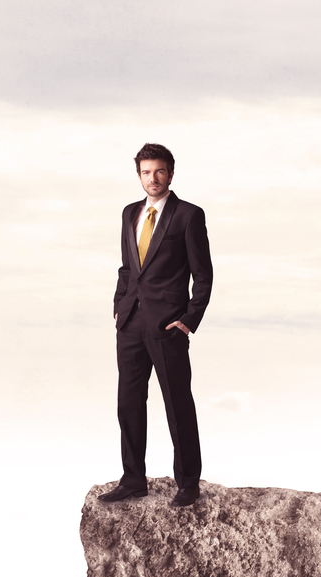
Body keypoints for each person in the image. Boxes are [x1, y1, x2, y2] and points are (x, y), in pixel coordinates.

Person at [99, 143, 213, 507]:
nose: (153, 178)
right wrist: (119, 306)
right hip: (130, 321)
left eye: (159, 171)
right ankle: (133, 478)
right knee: (128, 402)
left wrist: (189, 320)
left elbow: (203, 275)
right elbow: (127, 267)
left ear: (171, 173)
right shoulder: (129, 213)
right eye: (146, 172)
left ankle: (188, 483)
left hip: (168, 326)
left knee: (177, 403)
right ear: (139, 175)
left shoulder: (188, 216)